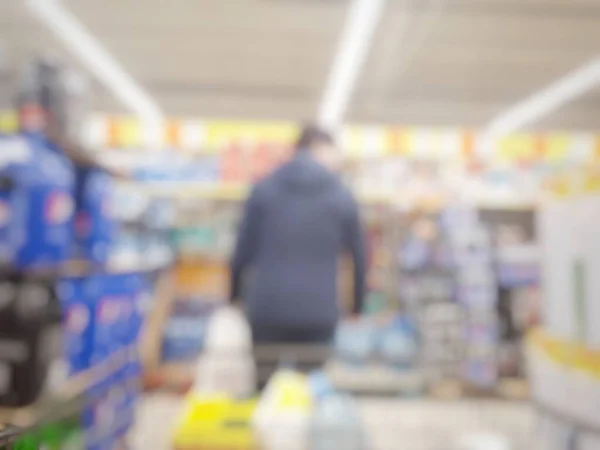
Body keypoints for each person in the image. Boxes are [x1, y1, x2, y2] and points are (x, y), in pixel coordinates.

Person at [230, 124, 366, 345]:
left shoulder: (264, 189)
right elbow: (359, 255)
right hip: (319, 311)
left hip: (267, 308)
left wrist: (234, 296)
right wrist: (357, 307)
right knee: (312, 378)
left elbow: (242, 250)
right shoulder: (341, 195)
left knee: (266, 377)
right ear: (319, 147)